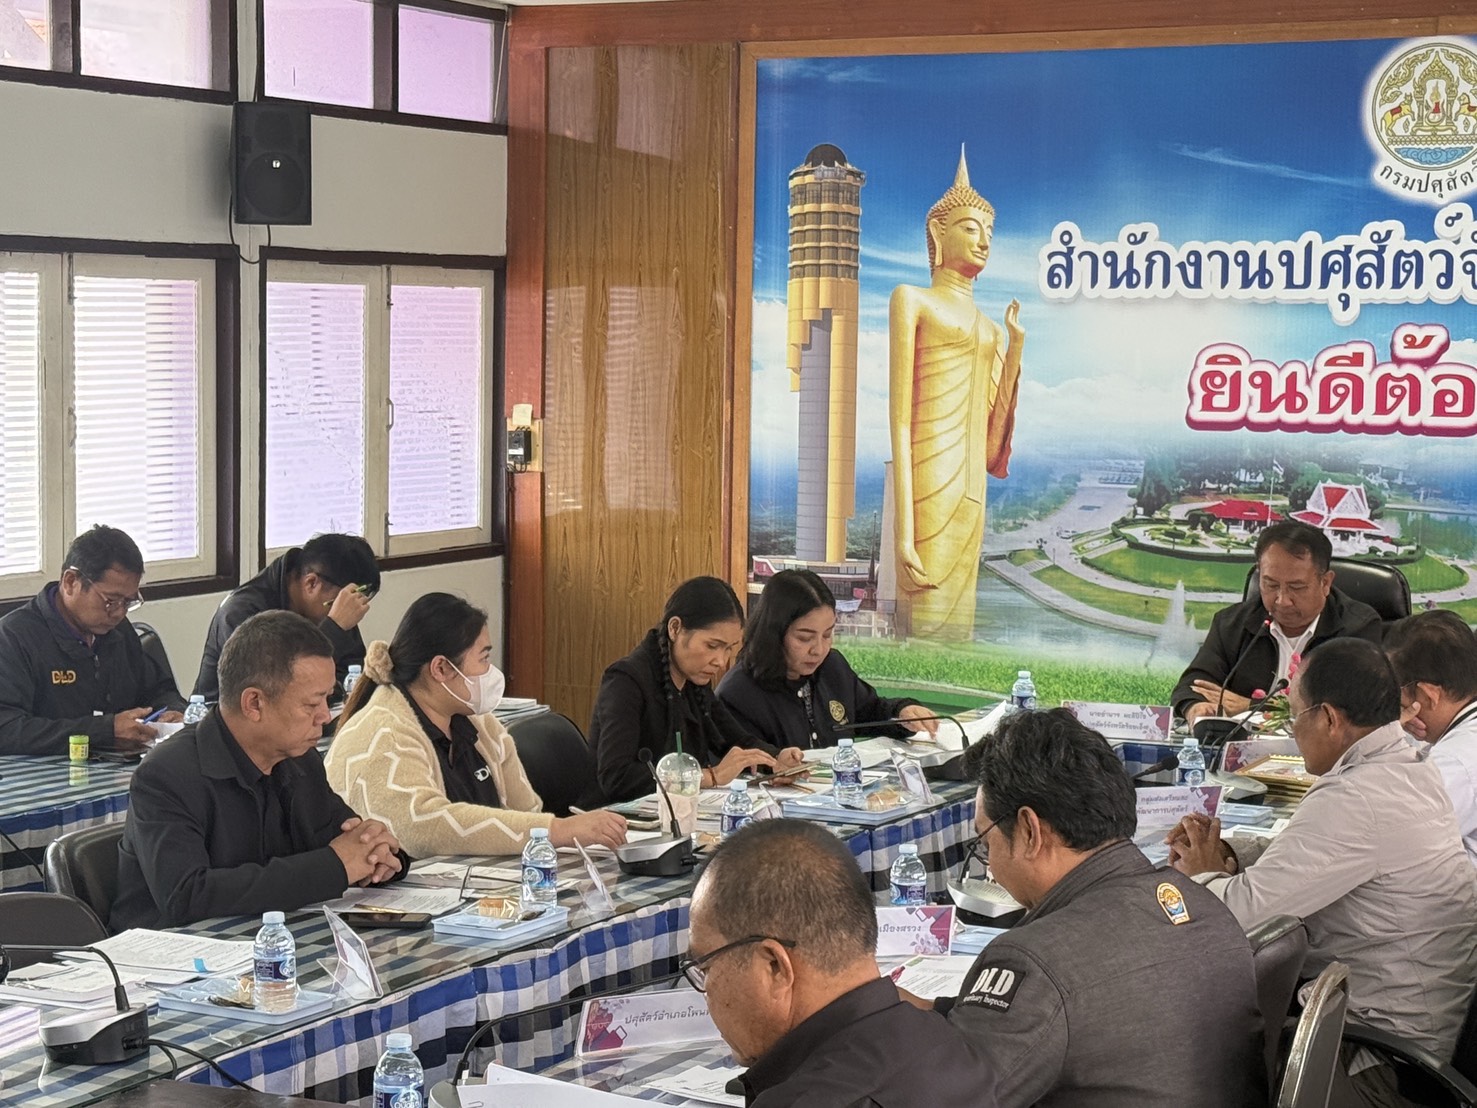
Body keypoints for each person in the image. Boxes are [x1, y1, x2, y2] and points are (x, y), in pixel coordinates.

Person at [1168, 638, 1477, 1107]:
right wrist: (1230, 853)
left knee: (1180, 1055)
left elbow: (1238, 919)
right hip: (1421, 1034)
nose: (1293, 732)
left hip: (1382, 1063)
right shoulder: (1405, 764)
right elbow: (1315, 853)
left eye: (1295, 716)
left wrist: (1201, 873)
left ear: (1329, 718)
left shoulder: (1358, 797)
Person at [912, 708, 1263, 1108]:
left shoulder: (1033, 959)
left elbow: (946, 1097)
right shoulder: (1202, 903)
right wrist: (941, 1009)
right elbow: (1095, 1016)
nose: (989, 862)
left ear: (1029, 831)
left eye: (986, 839)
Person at [113, 611, 405, 929]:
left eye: (327, 699)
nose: (325, 716)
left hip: (273, 937)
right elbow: (186, 896)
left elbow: (345, 839)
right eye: (312, 704)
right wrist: (336, 866)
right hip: (175, 952)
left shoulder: (300, 759)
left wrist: (380, 856)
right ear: (254, 703)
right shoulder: (165, 775)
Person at [686, 818, 996, 1106]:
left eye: (706, 968)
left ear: (775, 967)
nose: (706, 992)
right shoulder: (944, 1041)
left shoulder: (806, 1100)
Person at [326, 593, 626, 855]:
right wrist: (557, 830)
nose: (491, 672)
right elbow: (424, 827)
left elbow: (526, 811)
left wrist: (551, 833)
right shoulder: (382, 734)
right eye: (483, 659)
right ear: (441, 668)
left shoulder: (481, 724)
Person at [888, 148, 1023, 642]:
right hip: (929, 478)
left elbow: (991, 448)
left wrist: (1015, 349)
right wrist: (903, 533)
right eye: (970, 227)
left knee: (959, 631)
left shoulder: (990, 329)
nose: (983, 240)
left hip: (971, 487)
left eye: (989, 231)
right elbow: (900, 422)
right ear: (937, 232)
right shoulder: (912, 300)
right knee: (924, 626)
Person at [589, 577, 801, 804]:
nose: (721, 661)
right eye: (712, 646)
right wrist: (709, 776)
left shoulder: (694, 681)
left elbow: (736, 740)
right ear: (675, 628)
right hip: (615, 817)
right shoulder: (625, 680)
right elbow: (617, 777)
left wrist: (777, 760)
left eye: (729, 649)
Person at [0, 525, 183, 756]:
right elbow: (7, 730)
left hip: (117, 768)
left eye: (128, 602)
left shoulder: (119, 632)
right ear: (70, 582)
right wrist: (103, 731)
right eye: (110, 600)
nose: (119, 613)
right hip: (40, 773)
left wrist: (173, 712)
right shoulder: (14, 638)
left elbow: (158, 691)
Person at [1171, 521, 1382, 723]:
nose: (1282, 600)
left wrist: (1251, 707)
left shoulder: (1357, 628)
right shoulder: (1231, 623)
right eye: (1270, 584)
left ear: (1325, 582)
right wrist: (1196, 707)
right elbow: (1193, 684)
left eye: (1296, 587)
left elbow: (1349, 707)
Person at [718, 569, 937, 749]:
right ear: (774, 633)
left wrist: (902, 712)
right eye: (805, 638)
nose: (819, 650)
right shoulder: (738, 694)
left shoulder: (832, 666)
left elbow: (871, 712)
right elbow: (745, 770)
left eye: (827, 635)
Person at [193, 532, 380, 703]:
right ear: (311, 583)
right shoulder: (242, 611)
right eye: (343, 600)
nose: (348, 608)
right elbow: (272, 686)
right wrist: (334, 628)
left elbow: (353, 675)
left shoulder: (328, 608)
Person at [1386, 609, 1477, 866]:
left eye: (1397, 697)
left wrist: (1384, 742)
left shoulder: (1455, 761)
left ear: (1429, 695)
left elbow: (1393, 841)